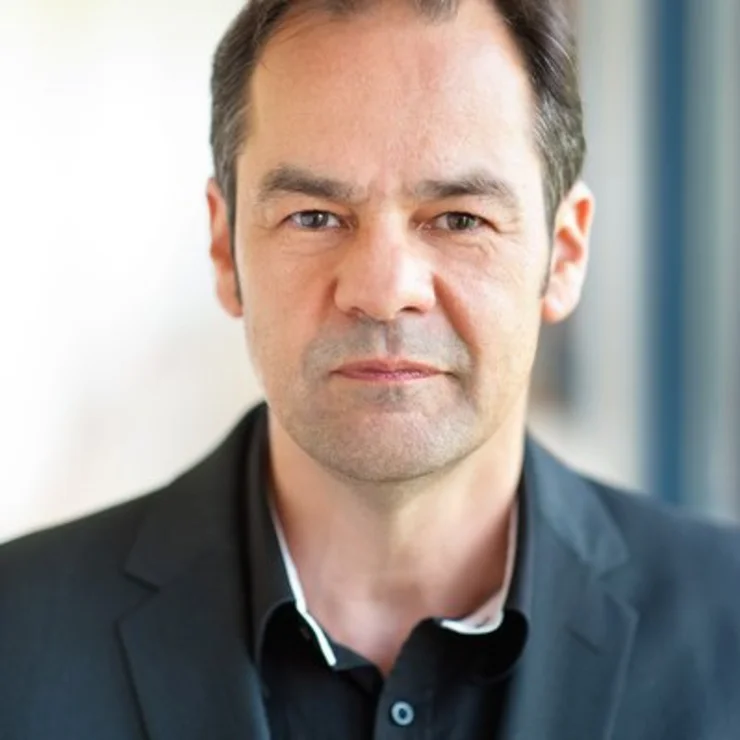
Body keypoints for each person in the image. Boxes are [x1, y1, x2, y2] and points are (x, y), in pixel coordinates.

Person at [2, 0, 739, 737]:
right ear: (225, 250)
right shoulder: (18, 641)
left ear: (565, 254)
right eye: (314, 217)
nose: (384, 291)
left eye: (460, 219)